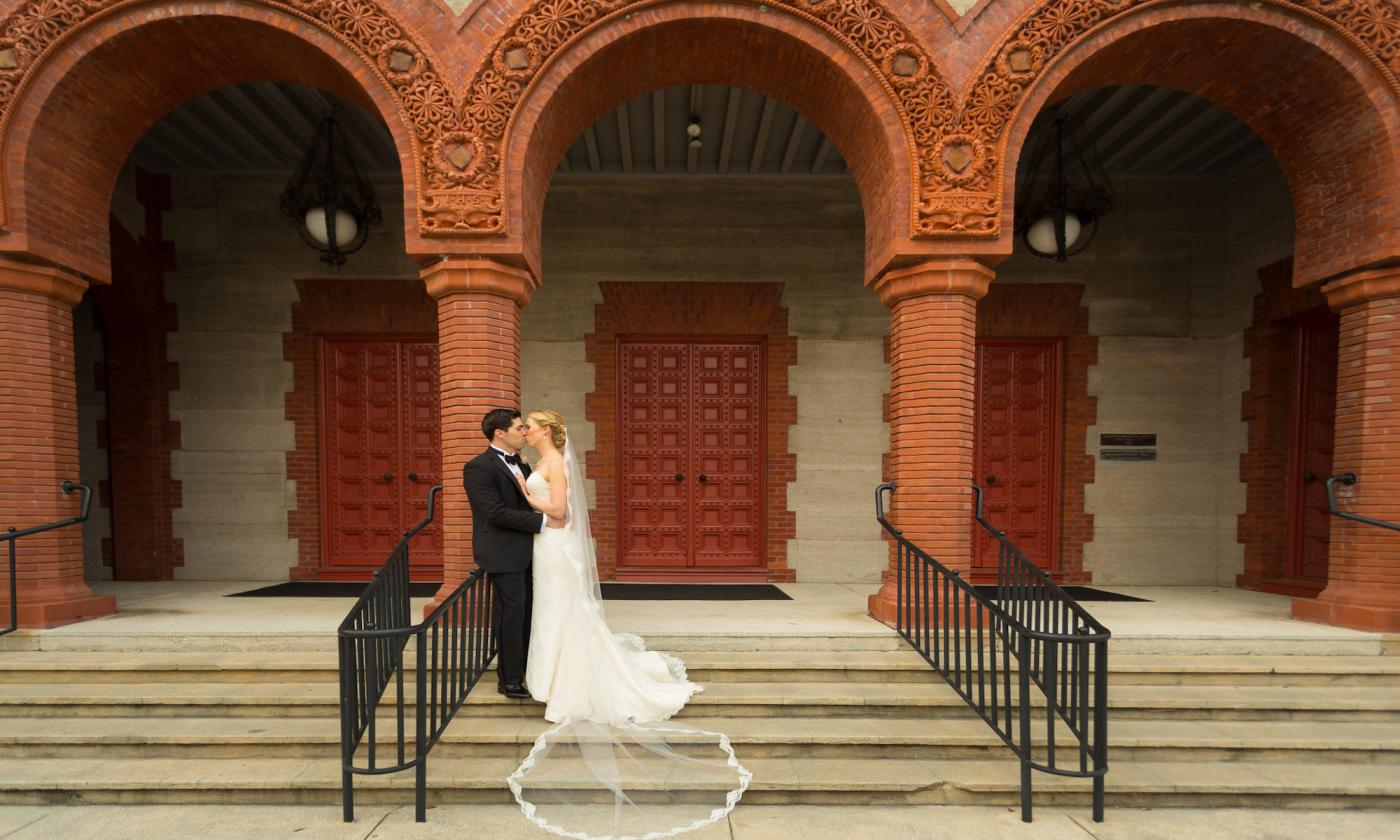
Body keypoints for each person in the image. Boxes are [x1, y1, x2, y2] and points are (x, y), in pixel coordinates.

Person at [503, 409, 750, 840]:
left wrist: (526, 495)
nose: (525, 428)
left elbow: (559, 512)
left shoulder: (554, 463)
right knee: (551, 615)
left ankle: (567, 683)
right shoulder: (538, 462)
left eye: (532, 423)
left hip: (556, 548)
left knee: (563, 613)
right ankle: (548, 679)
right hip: (544, 550)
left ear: (547, 430)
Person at [462, 408, 558, 701]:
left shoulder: (525, 464)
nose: (524, 433)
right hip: (503, 552)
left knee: (532, 612)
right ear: (500, 433)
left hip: (534, 550)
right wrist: (543, 522)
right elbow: (493, 512)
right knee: (512, 615)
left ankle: (532, 670)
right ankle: (510, 679)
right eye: (519, 428)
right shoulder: (478, 467)